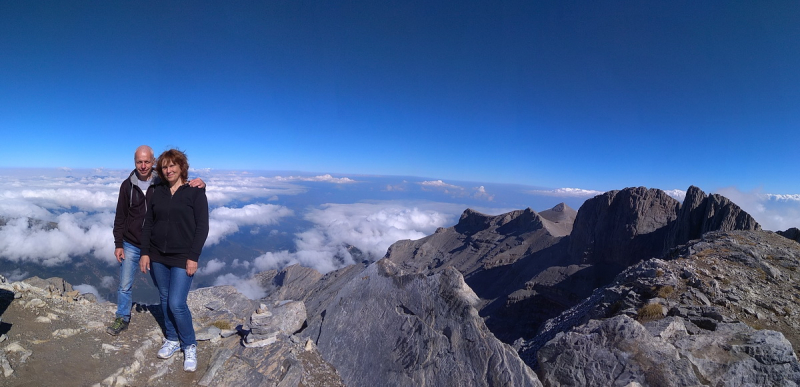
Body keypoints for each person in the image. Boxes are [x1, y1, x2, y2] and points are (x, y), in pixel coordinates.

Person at [108, 145, 205, 336]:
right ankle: (122, 317)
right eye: (139, 162)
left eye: (147, 161)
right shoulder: (127, 185)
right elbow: (120, 216)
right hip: (130, 242)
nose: (143, 166)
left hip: (155, 245)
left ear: (153, 162)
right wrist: (118, 243)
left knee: (165, 290)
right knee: (125, 284)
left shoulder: (162, 182)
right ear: (134, 162)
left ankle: (174, 328)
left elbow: (182, 188)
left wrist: (202, 183)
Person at [139, 149, 209, 373]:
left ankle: (189, 345)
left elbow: (202, 227)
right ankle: (171, 339)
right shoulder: (157, 190)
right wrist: (145, 252)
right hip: (158, 255)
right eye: (165, 167)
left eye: (173, 166)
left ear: (181, 168)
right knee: (164, 297)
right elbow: (149, 222)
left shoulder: (195, 192)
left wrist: (193, 257)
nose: (168, 170)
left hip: (183, 257)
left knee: (177, 303)